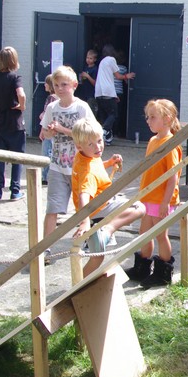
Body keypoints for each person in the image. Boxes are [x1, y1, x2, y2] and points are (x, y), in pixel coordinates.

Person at [70, 118, 146, 277]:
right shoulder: (88, 173)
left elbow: (95, 165)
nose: (98, 147)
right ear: (79, 146)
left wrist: (109, 162)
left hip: (94, 212)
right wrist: (84, 222)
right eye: (91, 144)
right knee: (139, 208)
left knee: (97, 257)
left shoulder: (85, 156)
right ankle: (107, 230)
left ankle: (78, 285)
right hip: (99, 209)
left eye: (99, 141)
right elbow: (84, 195)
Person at [123, 98, 182, 288]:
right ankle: (142, 267)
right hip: (148, 197)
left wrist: (166, 202)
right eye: (147, 117)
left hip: (161, 199)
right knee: (144, 233)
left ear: (167, 118)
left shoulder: (170, 144)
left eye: (153, 117)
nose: (148, 121)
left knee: (160, 235)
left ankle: (163, 273)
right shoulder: (153, 140)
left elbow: (173, 176)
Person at [40, 66, 96, 248]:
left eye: (64, 85)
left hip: (80, 167)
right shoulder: (51, 107)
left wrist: (62, 129)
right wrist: (49, 132)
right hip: (57, 166)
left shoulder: (82, 107)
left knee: (84, 208)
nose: (60, 89)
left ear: (74, 85)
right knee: (52, 209)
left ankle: (87, 242)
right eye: (56, 85)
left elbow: (91, 134)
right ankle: (46, 248)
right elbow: (44, 133)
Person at [0, 46, 27, 202]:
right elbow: (21, 94)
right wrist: (22, 106)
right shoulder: (15, 77)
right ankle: (15, 190)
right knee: (17, 158)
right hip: (15, 122)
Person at [94, 44, 120, 145]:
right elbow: (117, 76)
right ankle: (104, 130)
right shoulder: (111, 59)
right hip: (107, 91)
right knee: (113, 114)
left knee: (104, 115)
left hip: (98, 92)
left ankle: (107, 139)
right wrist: (127, 76)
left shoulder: (102, 61)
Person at [39, 74, 57, 185]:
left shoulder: (51, 98)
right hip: (55, 130)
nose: (44, 85)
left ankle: (45, 176)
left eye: (46, 83)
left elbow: (47, 116)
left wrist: (42, 130)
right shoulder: (58, 98)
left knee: (47, 152)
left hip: (49, 129)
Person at [76, 49, 98, 114]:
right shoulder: (85, 68)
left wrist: (88, 76)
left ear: (95, 59)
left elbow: (95, 83)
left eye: (90, 58)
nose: (88, 60)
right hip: (84, 93)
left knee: (90, 112)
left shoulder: (95, 69)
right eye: (87, 58)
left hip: (91, 95)